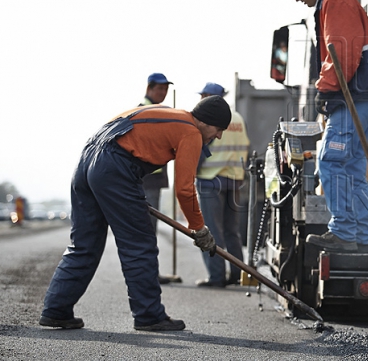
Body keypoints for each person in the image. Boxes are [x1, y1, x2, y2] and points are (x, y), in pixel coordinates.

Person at [39, 96, 231, 331]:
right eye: (219, 129)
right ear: (207, 121)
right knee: (140, 244)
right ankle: (149, 315)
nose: (219, 135)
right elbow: (184, 189)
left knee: (84, 244)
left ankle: (56, 310)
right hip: (113, 166)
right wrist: (199, 228)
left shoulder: (167, 114)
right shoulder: (191, 132)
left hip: (87, 160)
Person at [285, 0, 368, 252]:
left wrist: (326, 88)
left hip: (354, 93)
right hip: (364, 93)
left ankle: (344, 232)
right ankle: (361, 236)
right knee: (352, 166)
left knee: (331, 160)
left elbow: (341, 49)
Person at [194, 83, 250, 287]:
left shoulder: (209, 118)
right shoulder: (238, 119)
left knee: (212, 230)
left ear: (210, 96)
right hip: (234, 180)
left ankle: (217, 276)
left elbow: (201, 146)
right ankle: (237, 274)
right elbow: (245, 146)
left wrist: (191, 170)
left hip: (211, 178)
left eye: (203, 96)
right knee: (231, 231)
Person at [139, 73, 174, 284]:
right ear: (149, 88)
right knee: (147, 229)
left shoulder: (157, 110)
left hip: (152, 179)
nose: (163, 93)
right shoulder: (146, 110)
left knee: (149, 229)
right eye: (159, 89)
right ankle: (148, 274)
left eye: (165, 89)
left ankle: (149, 273)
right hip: (146, 180)